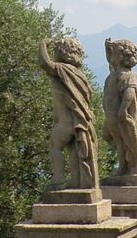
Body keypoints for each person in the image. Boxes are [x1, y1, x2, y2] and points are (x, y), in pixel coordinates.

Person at [38, 36, 99, 189]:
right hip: (79, 121)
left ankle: (58, 178)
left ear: (61, 52)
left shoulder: (62, 69)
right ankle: (77, 180)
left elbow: (45, 63)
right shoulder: (79, 74)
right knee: (74, 152)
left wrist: (42, 45)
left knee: (55, 144)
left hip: (67, 121)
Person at [102, 38, 137, 181]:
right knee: (113, 139)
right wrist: (107, 49)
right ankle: (123, 163)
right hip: (111, 115)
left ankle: (134, 164)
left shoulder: (128, 75)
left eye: (112, 53)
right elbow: (110, 60)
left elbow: (130, 93)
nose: (110, 56)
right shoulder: (113, 74)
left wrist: (124, 109)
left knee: (130, 140)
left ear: (120, 56)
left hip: (122, 115)